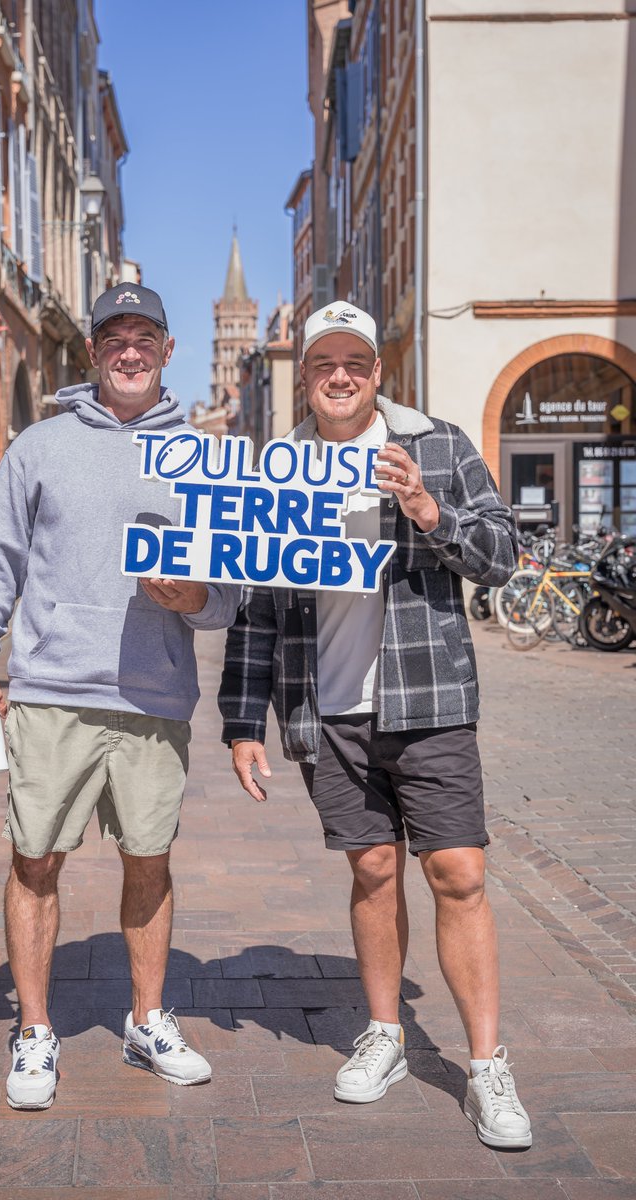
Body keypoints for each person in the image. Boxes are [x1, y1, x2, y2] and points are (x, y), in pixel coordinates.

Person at [218, 300, 532, 1149]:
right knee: (371, 871)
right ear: (308, 375)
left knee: (459, 873)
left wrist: (430, 511)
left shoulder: (437, 445)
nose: (341, 375)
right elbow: (255, 603)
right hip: (329, 706)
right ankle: (386, 1035)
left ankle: (486, 1064)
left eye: (356, 360)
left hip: (427, 700)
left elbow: (502, 557)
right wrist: (245, 720)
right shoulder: (276, 467)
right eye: (325, 362)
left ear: (378, 371)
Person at [0, 283, 238, 1109]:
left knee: (148, 859)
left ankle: (148, 1017)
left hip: (155, 693)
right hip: (50, 690)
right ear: (93, 351)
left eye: (144, 334)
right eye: (114, 335)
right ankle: (35, 1031)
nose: (129, 349)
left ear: (167, 349)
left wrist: (198, 601)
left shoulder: (201, 455)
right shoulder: (39, 446)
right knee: (35, 858)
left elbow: (231, 588)